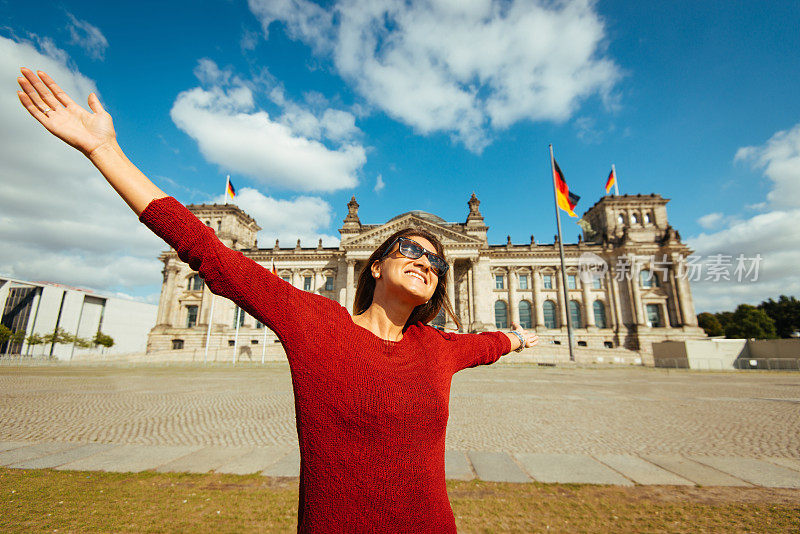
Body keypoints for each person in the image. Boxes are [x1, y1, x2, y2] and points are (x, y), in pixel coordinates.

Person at [16, 68, 539, 533]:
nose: (426, 261)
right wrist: (103, 151)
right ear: (373, 263)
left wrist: (516, 337)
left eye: (439, 262)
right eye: (409, 248)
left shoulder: (436, 349)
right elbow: (209, 254)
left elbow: (487, 343)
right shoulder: (316, 325)